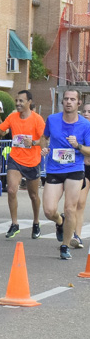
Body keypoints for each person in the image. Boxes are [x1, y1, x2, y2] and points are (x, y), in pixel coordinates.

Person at [0, 90, 45, 240]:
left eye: (21, 101)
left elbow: (44, 140)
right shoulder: (12, 117)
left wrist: (33, 143)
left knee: (33, 195)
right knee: (12, 190)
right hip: (15, 159)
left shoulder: (37, 120)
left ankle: (36, 222)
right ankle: (14, 224)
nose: (18, 103)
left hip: (33, 161)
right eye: (16, 101)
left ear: (29, 102)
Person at [39, 90, 90, 260]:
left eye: (72, 99)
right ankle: (59, 222)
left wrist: (78, 146)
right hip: (54, 169)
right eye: (66, 99)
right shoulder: (52, 119)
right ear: (63, 102)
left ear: (78, 103)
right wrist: (44, 148)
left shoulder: (85, 124)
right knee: (48, 210)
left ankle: (65, 246)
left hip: (75, 169)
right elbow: (43, 137)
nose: (68, 102)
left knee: (70, 208)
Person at [70, 100, 90, 249]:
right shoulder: (81, 128)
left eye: (89, 112)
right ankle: (77, 236)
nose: (86, 114)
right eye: (84, 111)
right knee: (80, 203)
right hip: (85, 168)